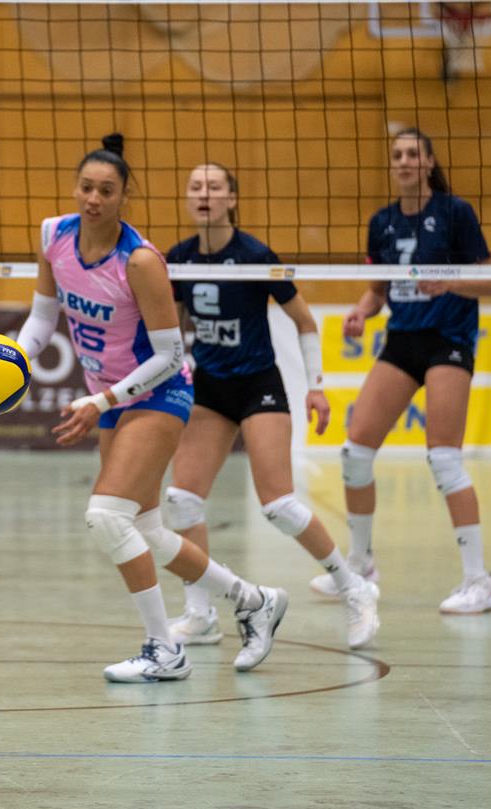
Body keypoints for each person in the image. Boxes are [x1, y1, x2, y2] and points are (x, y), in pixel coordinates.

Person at [15, 134, 287, 683]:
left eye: (106, 191)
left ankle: (165, 650)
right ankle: (254, 600)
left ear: (124, 196)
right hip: (110, 397)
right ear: (76, 188)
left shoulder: (139, 261)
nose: (94, 199)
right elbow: (44, 318)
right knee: (148, 529)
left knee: (106, 517)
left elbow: (171, 355)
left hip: (158, 393)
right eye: (86, 187)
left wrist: (102, 400)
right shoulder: (54, 236)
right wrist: (15, 358)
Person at [162, 162, 380, 650]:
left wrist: (316, 387)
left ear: (231, 198)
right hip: (210, 387)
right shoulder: (179, 258)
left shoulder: (255, 256)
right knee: (181, 499)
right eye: (195, 187)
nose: (204, 194)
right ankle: (199, 614)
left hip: (258, 384)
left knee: (278, 504)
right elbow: (171, 329)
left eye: (214, 186)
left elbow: (304, 322)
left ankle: (353, 586)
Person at [325, 127, 491, 614]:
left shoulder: (455, 212)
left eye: (412, 154)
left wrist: (449, 282)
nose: (403, 161)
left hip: (448, 340)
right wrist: (361, 311)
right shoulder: (381, 222)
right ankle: (360, 564)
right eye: (397, 155)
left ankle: (480, 581)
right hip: (402, 340)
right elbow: (378, 289)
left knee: (444, 459)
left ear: (428, 163)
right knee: (354, 452)